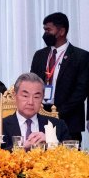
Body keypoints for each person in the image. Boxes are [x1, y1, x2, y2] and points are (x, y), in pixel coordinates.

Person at [30, 12, 89, 144]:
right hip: (40, 118)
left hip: (69, 120)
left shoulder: (81, 57)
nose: (45, 33)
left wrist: (58, 113)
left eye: (48, 30)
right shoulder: (39, 55)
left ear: (61, 31)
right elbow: (32, 82)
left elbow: (81, 91)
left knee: (67, 156)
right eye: (44, 30)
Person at [0, 73, 69, 151]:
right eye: (25, 96)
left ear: (42, 98)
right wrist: (21, 147)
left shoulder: (58, 125)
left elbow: (71, 154)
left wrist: (51, 143)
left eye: (36, 97)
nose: (30, 102)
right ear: (15, 96)